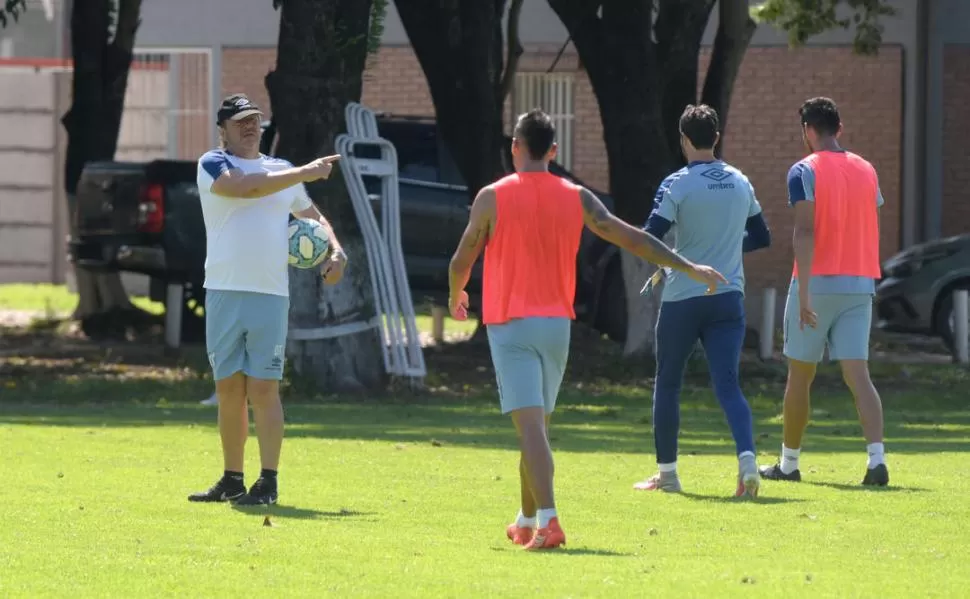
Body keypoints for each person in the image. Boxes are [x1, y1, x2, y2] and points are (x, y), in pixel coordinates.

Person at [447, 109, 728, 550]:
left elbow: (463, 257)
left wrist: (456, 294)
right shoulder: (577, 197)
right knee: (536, 427)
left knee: (531, 430)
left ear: (515, 147)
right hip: (557, 326)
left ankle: (550, 520)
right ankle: (524, 519)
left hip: (510, 325)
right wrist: (687, 265)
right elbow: (631, 236)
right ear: (554, 151)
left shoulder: (491, 197)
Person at [188, 93, 348, 505]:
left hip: (270, 295)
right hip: (224, 290)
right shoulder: (214, 163)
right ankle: (231, 478)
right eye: (240, 120)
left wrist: (336, 250)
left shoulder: (283, 171)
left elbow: (312, 216)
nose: (249, 126)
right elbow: (244, 188)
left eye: (255, 119)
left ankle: (269, 481)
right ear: (223, 129)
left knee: (263, 389)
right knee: (228, 389)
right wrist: (303, 173)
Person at [634, 104, 772, 498]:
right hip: (729, 297)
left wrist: (679, 259)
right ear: (717, 138)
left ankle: (669, 475)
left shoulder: (676, 183)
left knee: (668, 384)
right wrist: (726, 247)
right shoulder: (740, 181)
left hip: (683, 298)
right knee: (729, 385)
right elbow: (762, 237)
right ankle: (748, 465)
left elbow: (650, 237)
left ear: (683, 139)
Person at [760, 97, 889, 487]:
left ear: (808, 131)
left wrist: (803, 298)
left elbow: (804, 231)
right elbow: (874, 220)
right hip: (860, 283)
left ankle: (788, 463)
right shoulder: (867, 169)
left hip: (817, 284)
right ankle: (876, 460)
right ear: (840, 128)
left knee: (799, 376)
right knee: (859, 375)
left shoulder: (803, 170)